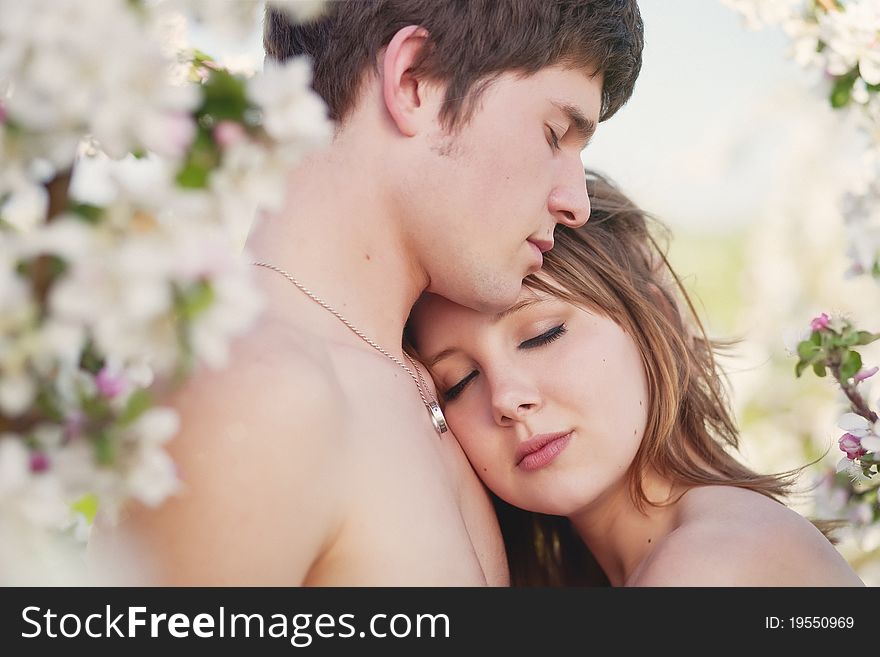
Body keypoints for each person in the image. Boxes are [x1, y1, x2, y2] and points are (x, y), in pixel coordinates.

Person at [89, 2, 644, 584]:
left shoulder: (424, 386)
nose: (576, 202)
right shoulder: (255, 391)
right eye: (554, 133)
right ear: (414, 81)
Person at [406, 171, 865, 586]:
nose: (506, 398)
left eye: (541, 336)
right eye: (459, 382)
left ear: (659, 319)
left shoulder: (710, 564)